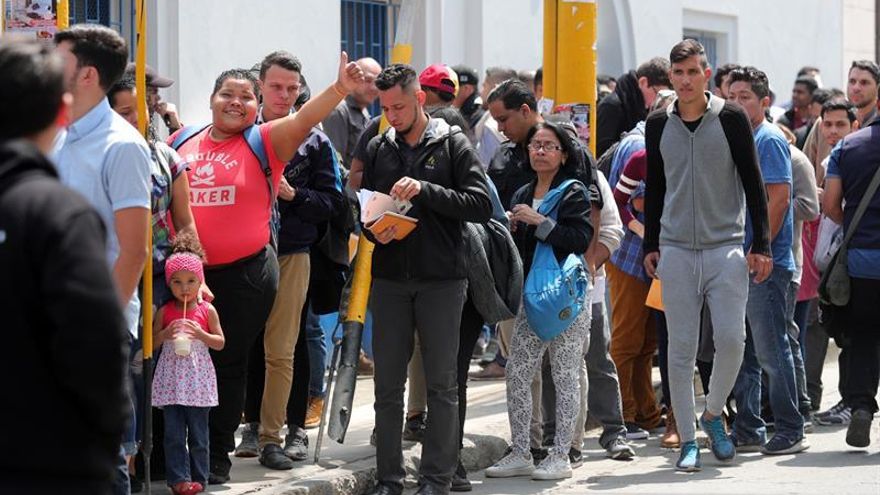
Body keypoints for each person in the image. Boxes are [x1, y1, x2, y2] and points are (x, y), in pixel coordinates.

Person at [168, 53, 363, 484]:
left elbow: (306, 118)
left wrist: (340, 90)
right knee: (175, 358)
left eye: (244, 97)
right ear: (212, 98)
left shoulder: (267, 140)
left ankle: (217, 455)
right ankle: (172, 453)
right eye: (227, 94)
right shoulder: (182, 139)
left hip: (246, 274)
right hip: (185, 275)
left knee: (228, 361)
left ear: (256, 106)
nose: (235, 103)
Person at [0, 35, 130, 495]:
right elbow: (93, 347)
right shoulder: (59, 215)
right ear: (60, 112)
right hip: (46, 465)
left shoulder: (118, 148)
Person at [362, 63, 492, 495]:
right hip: (390, 278)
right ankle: (389, 480)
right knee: (386, 387)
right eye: (385, 108)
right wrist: (371, 224)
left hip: (442, 280)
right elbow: (367, 205)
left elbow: (479, 205)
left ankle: (436, 480)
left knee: (442, 385)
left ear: (419, 98)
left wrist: (425, 190)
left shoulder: (453, 142)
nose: (392, 115)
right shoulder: (380, 145)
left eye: (399, 106)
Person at [643, 39, 772, 472]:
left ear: (706, 73)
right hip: (676, 250)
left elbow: (754, 183)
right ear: (672, 77)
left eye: (692, 72)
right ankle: (687, 439)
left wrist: (762, 245)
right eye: (678, 74)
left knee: (732, 342)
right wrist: (651, 245)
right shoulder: (658, 122)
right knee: (678, 351)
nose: (685, 81)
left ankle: (713, 414)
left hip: (726, 249)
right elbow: (656, 186)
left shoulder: (732, 117)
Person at [53, 24, 153, 493]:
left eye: (60, 62)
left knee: (100, 453)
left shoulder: (123, 145)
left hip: (95, 326)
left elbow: (134, 249)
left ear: (88, 75)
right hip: (48, 319)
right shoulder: (55, 136)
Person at [236, 51, 346, 470]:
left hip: (293, 254)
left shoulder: (315, 142)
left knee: (291, 345)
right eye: (276, 87)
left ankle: (290, 428)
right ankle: (250, 424)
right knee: (245, 341)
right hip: (242, 256)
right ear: (260, 86)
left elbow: (333, 203)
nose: (283, 95)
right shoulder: (241, 133)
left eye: (291, 88)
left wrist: (293, 195)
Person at [485, 122, 592, 481]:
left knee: (564, 375)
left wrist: (540, 222)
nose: (540, 151)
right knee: (517, 372)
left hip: (564, 298)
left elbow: (579, 240)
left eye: (548, 145)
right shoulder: (522, 192)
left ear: (563, 154)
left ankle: (561, 454)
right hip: (530, 296)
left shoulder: (574, 192)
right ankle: (521, 450)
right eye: (535, 145)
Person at [727, 67, 808, 455]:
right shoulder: (743, 139)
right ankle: (748, 427)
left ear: (764, 102)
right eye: (732, 95)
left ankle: (791, 427)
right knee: (747, 352)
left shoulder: (769, 139)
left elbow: (778, 199)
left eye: (745, 97)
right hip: (742, 261)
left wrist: (760, 248)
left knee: (773, 350)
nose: (737, 103)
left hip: (766, 263)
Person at [822, 104, 880, 449]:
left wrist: (857, 226)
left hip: (861, 261)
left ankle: (860, 406)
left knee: (862, 336)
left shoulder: (848, 146)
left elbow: (830, 203)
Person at [151, 234, 225, 495]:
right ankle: (179, 480)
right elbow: (151, 344)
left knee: (198, 436)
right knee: (173, 435)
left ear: (200, 281)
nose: (185, 288)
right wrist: (165, 334)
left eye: (191, 281)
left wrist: (202, 334)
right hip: (171, 384)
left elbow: (220, 342)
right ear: (169, 283)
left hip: (197, 383)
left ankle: (199, 478)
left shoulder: (207, 311)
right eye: (177, 282)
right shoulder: (165, 311)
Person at [811, 101, 861, 426]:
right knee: (845, 334)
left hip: (849, 259)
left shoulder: (850, 159)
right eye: (827, 124)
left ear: (854, 126)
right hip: (833, 262)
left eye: (839, 124)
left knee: (854, 336)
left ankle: (854, 402)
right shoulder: (831, 159)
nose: (832, 131)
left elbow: (836, 209)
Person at [596, 57, 671, 156]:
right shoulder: (611, 106)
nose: (660, 100)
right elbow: (602, 150)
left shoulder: (643, 108)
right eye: (658, 94)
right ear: (643, 82)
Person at [322, 57, 382, 169]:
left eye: (377, 82)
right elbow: (334, 161)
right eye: (368, 80)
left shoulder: (364, 111)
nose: (374, 88)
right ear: (354, 78)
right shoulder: (339, 111)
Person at [474, 66, 517, 165]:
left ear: (495, 89)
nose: (481, 92)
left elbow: (487, 166)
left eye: (484, 86)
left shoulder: (491, 128)